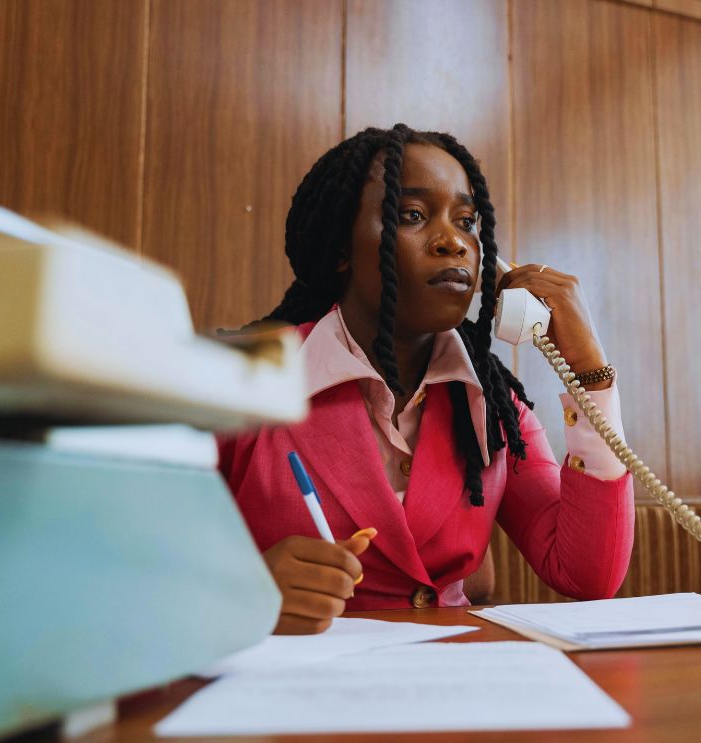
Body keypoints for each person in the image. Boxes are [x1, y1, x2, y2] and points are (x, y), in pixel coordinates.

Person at [218, 123, 634, 634]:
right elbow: (140, 561)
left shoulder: (492, 403)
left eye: (466, 222)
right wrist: (244, 589)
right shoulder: (238, 376)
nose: (453, 242)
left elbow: (587, 574)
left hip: (450, 675)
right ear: (342, 246)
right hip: (294, 676)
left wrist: (589, 373)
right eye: (412, 215)